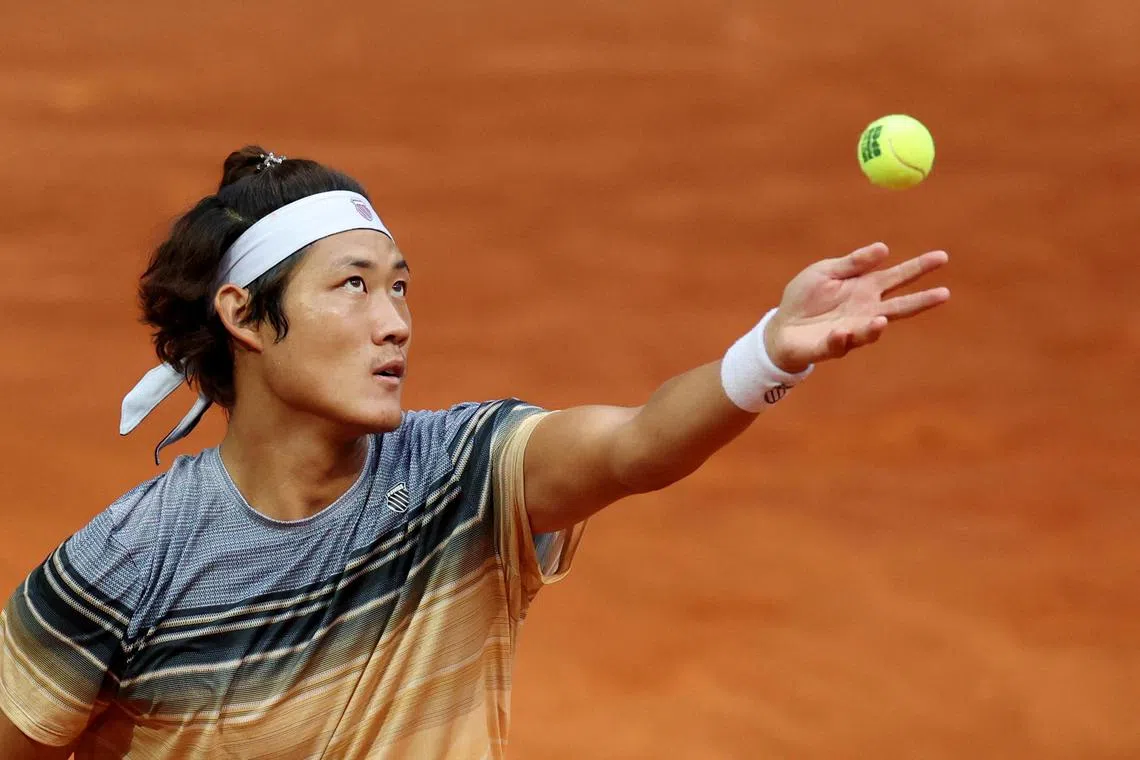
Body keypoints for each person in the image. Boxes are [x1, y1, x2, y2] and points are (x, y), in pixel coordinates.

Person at [0, 146, 949, 759]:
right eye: (354, 286)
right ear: (244, 315)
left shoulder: (462, 476)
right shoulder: (129, 565)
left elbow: (637, 445)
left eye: (400, 287)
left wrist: (768, 355)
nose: (395, 322)